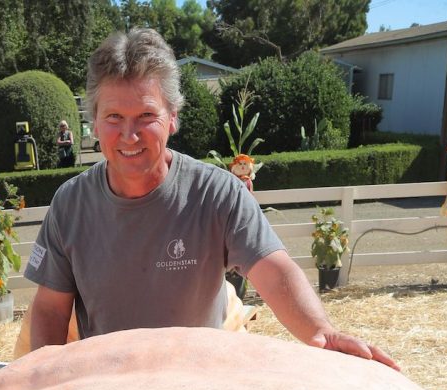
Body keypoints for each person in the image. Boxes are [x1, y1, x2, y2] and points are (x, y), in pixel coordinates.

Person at [25, 29, 397, 369]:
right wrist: (42, 377)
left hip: (198, 382)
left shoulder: (218, 194)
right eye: (114, 116)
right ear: (93, 119)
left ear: (172, 117)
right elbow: (50, 309)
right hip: (107, 385)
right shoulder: (70, 204)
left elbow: (274, 270)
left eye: (145, 116)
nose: (129, 134)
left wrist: (322, 332)